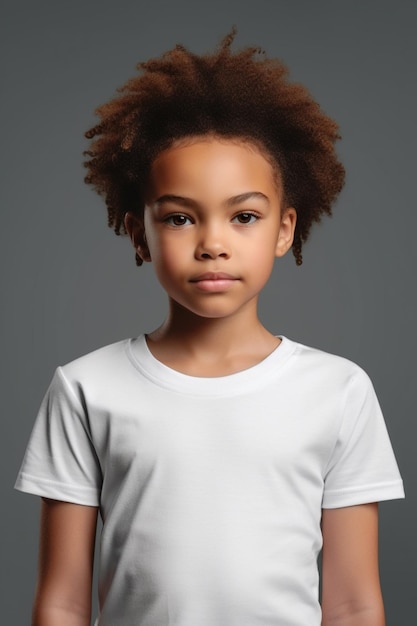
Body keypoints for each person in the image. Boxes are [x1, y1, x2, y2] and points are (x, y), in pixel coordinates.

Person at [15, 29, 404, 626]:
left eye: (244, 216)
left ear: (284, 229)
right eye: (179, 218)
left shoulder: (340, 391)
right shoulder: (86, 389)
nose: (213, 244)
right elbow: (63, 603)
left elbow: (353, 604)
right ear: (137, 232)